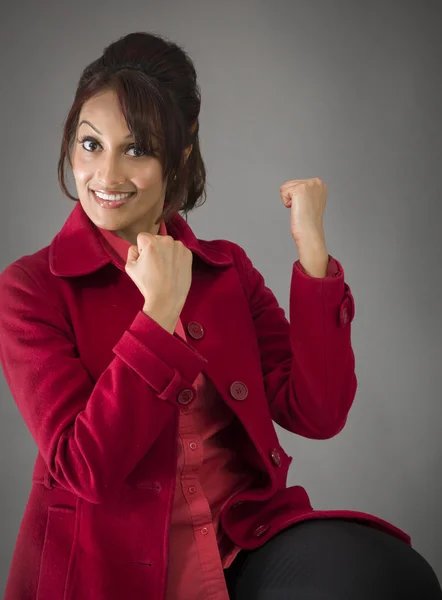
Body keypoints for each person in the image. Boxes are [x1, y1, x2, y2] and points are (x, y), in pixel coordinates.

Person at [0, 31, 440, 600]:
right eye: (90, 145)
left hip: (237, 547)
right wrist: (157, 315)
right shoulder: (32, 288)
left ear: (180, 156)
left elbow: (318, 411)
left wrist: (313, 255)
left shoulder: (225, 269)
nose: (106, 176)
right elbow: (85, 470)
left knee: (394, 578)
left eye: (136, 149)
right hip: (110, 569)